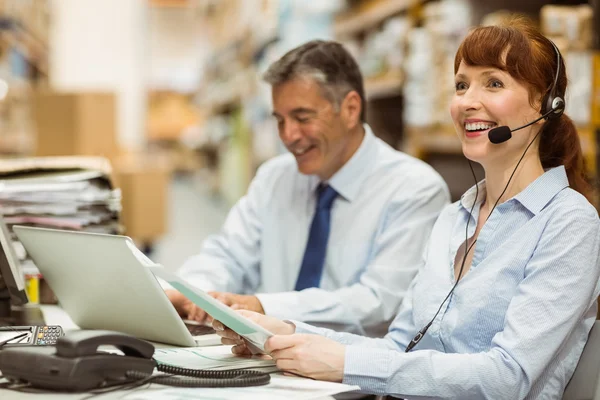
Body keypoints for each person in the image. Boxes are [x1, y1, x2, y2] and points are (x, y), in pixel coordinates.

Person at [213, 18, 600, 399]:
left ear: (546, 106)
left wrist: (345, 363)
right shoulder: (454, 218)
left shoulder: (568, 222)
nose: (467, 101)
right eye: (461, 85)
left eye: (493, 83)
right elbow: (400, 345)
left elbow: (507, 377)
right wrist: (284, 332)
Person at [166, 40, 450, 336]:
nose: (289, 135)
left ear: (351, 109)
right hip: (272, 362)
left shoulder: (414, 189)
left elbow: (380, 302)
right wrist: (192, 290)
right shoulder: (275, 178)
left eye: (303, 118)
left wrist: (263, 307)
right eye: (280, 120)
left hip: (355, 372)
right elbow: (228, 254)